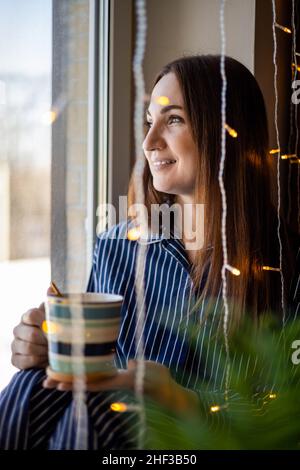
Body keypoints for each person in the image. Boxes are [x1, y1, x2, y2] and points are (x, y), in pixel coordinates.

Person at [0, 55, 299, 450]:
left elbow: (281, 425)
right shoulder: (116, 249)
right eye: (149, 121)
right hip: (103, 428)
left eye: (173, 120)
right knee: (30, 382)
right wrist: (45, 348)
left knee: (103, 419)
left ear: (226, 132)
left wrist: (175, 398)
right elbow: (91, 375)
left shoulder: (286, 271)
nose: (148, 141)